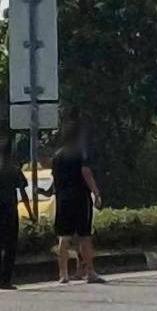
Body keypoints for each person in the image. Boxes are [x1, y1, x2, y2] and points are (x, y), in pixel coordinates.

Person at [52, 121, 105, 284]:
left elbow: (54, 178)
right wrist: (96, 193)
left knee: (64, 236)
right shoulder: (79, 153)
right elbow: (86, 172)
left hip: (63, 198)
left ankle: (63, 274)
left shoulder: (57, 155)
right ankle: (90, 272)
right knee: (84, 236)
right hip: (80, 197)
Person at [0, 142, 33, 289]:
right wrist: (30, 213)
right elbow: (23, 194)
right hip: (10, 211)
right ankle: (6, 278)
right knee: (10, 246)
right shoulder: (14, 171)